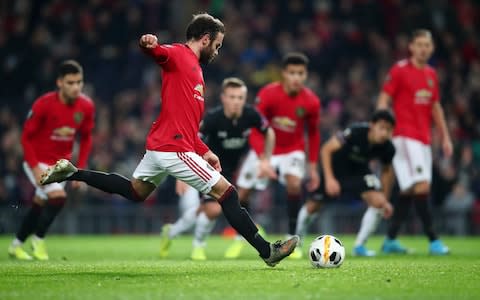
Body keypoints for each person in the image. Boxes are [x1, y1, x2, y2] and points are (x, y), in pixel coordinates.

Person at [41, 13, 298, 267]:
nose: (218, 52)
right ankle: (267, 251)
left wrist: (205, 150)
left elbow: (186, 124)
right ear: (205, 39)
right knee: (228, 193)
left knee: (135, 191)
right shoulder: (179, 54)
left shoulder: (195, 69)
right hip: (174, 149)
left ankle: (73, 173)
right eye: (217, 45)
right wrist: (148, 45)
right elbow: (159, 53)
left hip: (162, 146)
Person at [159, 77, 276, 260]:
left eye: (240, 97)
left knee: (206, 209)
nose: (236, 102)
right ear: (223, 98)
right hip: (209, 167)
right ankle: (198, 246)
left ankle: (171, 232)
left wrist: (266, 160)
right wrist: (181, 175)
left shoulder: (251, 115)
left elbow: (269, 132)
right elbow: (190, 140)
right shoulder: (213, 119)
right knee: (213, 210)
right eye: (232, 97)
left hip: (233, 169)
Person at [227, 52, 321, 259]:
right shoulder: (269, 94)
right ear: (283, 74)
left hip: (292, 149)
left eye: (300, 73)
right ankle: (240, 237)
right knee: (242, 193)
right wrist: (263, 159)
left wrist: (313, 167)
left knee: (294, 184)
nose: (296, 77)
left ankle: (292, 237)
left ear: (305, 75)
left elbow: (313, 134)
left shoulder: (311, 101)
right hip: (267, 148)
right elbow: (254, 128)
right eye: (292, 73)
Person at [8, 60, 95, 260]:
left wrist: (79, 168)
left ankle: (16, 245)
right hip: (38, 161)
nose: (76, 87)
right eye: (70, 82)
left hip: (61, 164)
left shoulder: (86, 106)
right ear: (59, 83)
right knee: (58, 198)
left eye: (79, 82)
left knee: (40, 203)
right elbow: (26, 138)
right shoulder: (44, 104)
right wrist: (35, 168)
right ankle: (38, 240)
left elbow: (87, 137)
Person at [377, 29, 452, 255]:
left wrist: (445, 136)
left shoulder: (431, 74)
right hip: (403, 135)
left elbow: (436, 106)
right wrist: (380, 125)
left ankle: (390, 239)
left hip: (423, 139)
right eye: (418, 44)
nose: (423, 49)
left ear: (432, 48)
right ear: (411, 46)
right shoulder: (399, 70)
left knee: (410, 189)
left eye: (426, 45)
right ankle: (434, 239)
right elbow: (384, 97)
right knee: (422, 185)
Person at [294, 110, 395, 256]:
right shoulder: (355, 132)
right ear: (372, 125)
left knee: (379, 203)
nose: (384, 133)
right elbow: (326, 149)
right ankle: (297, 242)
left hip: (359, 174)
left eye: (389, 129)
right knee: (312, 207)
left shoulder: (388, 148)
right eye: (382, 128)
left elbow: (387, 171)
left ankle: (360, 246)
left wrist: (385, 198)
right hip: (335, 171)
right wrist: (329, 179)